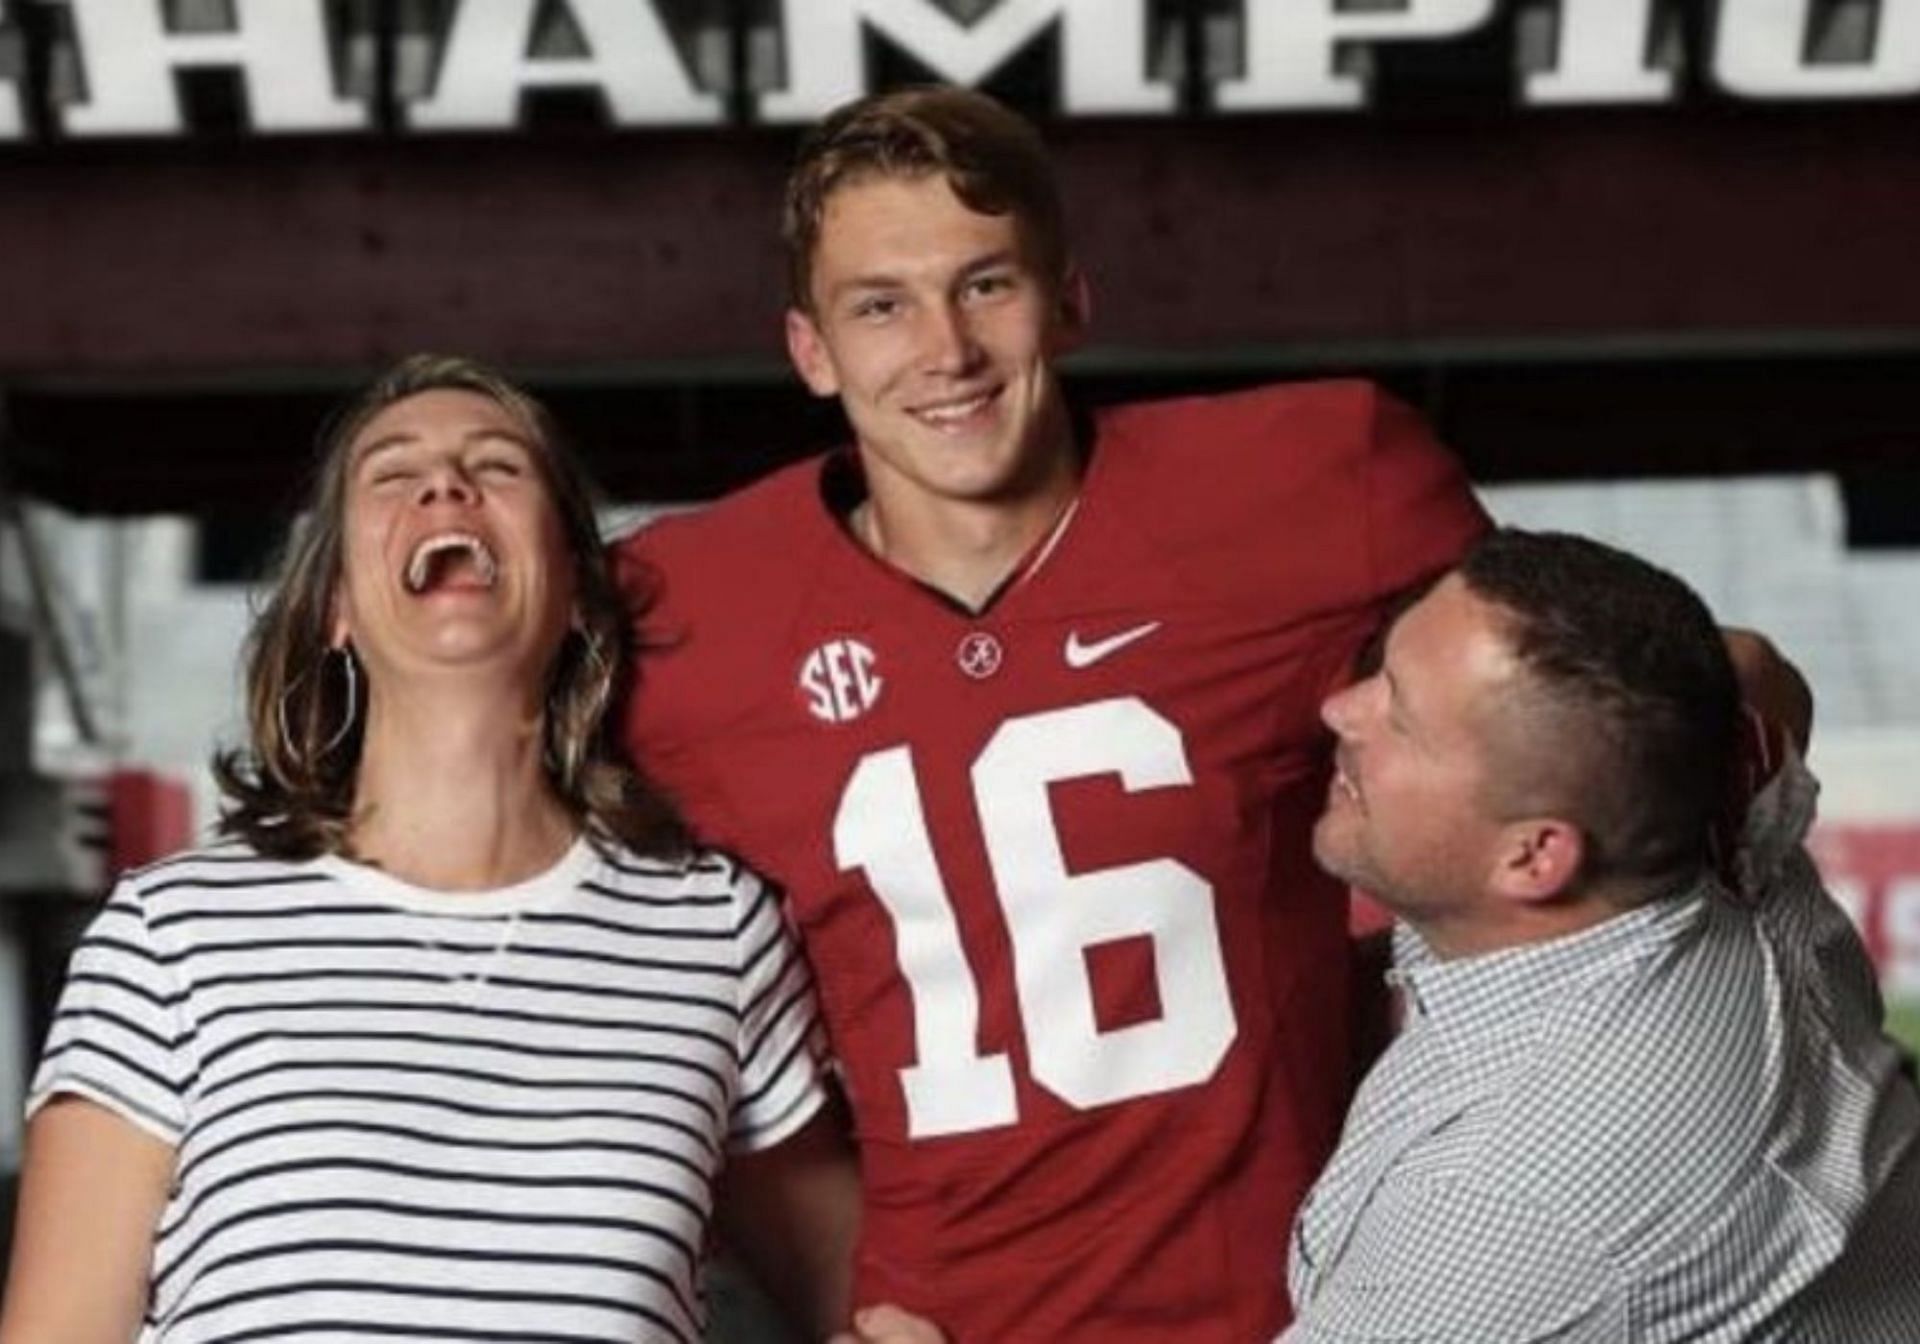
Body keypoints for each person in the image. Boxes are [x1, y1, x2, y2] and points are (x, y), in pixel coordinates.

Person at [616, 86, 1488, 1342]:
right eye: (881, 305)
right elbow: (629, 991)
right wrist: (836, 1295)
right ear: (810, 350)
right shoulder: (680, 613)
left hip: (1297, 1313)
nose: (945, 350)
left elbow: (1582, 701)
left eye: (985, 285)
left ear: (1070, 296)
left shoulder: (1317, 476)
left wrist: (1734, 691)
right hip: (940, 1320)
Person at [0, 355, 936, 1344]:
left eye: (496, 466)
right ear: (337, 611)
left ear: (578, 590)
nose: (444, 484)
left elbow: (875, 1306)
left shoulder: (713, 930)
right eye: (391, 474)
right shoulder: (171, 935)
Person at [1289, 528, 1920, 1342]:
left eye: (1399, 717)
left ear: (1535, 856)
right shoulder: (1723, 826)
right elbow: (1752, 665)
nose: (1340, 709)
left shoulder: (1505, 1205)